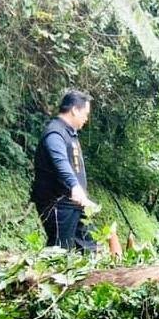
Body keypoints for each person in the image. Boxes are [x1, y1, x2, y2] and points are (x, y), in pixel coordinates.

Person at [30, 90, 98, 252]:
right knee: (59, 251)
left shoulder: (69, 134)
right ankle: (42, 276)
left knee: (89, 248)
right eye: (85, 113)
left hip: (75, 205)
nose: (86, 119)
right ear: (75, 110)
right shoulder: (55, 133)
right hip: (58, 205)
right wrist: (75, 186)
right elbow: (60, 162)